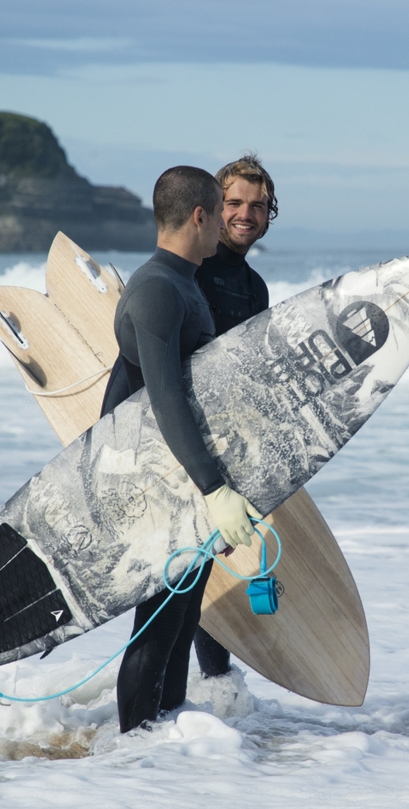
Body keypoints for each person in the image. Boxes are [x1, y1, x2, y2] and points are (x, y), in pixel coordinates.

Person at [100, 165, 262, 732]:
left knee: (184, 610)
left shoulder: (183, 281)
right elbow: (166, 398)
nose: (228, 222)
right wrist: (215, 488)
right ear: (201, 216)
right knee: (158, 621)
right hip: (153, 482)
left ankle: (164, 746)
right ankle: (135, 753)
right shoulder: (157, 290)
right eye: (222, 211)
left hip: (181, 478)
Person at [193, 154, 278, 678]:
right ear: (210, 208)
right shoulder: (190, 271)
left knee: (206, 570)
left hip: (225, 449)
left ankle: (211, 699)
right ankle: (158, 724)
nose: (247, 214)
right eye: (235, 203)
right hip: (182, 447)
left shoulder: (255, 288)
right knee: (181, 578)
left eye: (259, 205)